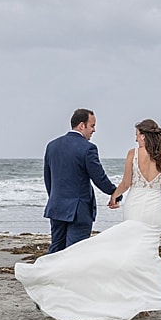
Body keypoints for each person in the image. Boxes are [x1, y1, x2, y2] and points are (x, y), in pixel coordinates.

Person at [16, 118, 161, 320]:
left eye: (136, 134)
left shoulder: (133, 154)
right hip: (154, 208)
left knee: (127, 252)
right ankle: (144, 301)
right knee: (146, 253)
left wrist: (114, 196)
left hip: (134, 205)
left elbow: (126, 183)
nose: (134, 138)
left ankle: (53, 283)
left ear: (143, 134)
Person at [42, 108, 121, 254]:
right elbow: (99, 177)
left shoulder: (52, 146)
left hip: (57, 206)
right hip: (79, 210)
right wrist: (115, 193)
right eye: (92, 125)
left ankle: (49, 276)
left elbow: (48, 178)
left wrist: (55, 197)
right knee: (76, 252)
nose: (94, 130)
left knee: (55, 250)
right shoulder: (88, 148)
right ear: (81, 125)